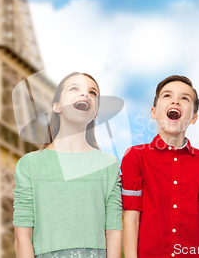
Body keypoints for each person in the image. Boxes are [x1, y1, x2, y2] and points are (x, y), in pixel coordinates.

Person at [13, 72, 122, 258]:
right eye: (74, 89)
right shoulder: (29, 164)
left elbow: (113, 232)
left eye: (93, 93)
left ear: (95, 113)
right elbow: (22, 235)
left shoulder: (109, 165)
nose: (86, 94)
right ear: (57, 106)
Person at [122, 75, 199, 258]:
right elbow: (131, 216)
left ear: (193, 118)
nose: (175, 100)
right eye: (167, 96)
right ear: (153, 112)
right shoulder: (135, 156)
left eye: (185, 98)